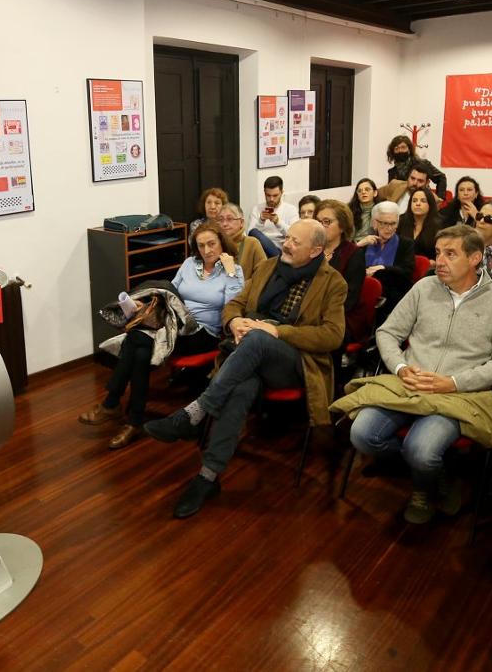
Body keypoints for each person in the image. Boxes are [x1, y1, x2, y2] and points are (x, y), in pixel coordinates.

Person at [143, 219, 347, 518]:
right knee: (241, 387)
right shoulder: (268, 268)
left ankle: (196, 413)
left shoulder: (333, 283)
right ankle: (207, 478)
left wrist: (279, 332)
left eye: (295, 242)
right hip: (249, 354)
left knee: (258, 338)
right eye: (287, 237)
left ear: (316, 251)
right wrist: (234, 321)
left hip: (294, 360)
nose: (286, 244)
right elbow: (235, 303)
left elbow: (332, 335)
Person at [342, 224, 492, 524]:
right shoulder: (424, 288)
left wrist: (454, 382)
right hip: (409, 384)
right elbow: (387, 333)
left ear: (475, 258)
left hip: (457, 393)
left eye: (451, 254)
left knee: (421, 449)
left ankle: (423, 488)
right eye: (438, 253)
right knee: (362, 435)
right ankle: (437, 475)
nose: (439, 261)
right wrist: (400, 367)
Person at [80, 223, 243, 449]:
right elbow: (170, 291)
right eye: (201, 245)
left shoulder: (232, 271)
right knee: (140, 348)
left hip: (204, 333)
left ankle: (112, 403)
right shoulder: (189, 264)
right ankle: (132, 420)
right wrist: (146, 302)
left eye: (212, 244)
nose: (207, 250)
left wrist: (231, 271)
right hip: (175, 324)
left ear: (222, 243)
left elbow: (233, 307)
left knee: (137, 338)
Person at [316, 199, 368, 343]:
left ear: (342, 226)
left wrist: (318, 313)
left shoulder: (353, 254)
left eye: (327, 222)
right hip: (312, 311)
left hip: (342, 317)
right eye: (318, 221)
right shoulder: (312, 249)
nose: (321, 226)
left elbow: (349, 299)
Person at [248, 175, 298, 258]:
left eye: (275, 195)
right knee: (254, 232)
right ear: (264, 192)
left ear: (282, 192)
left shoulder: (291, 209)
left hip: (281, 249)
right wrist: (261, 221)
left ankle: (278, 260)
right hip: (260, 248)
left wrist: (278, 223)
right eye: (268, 195)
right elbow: (250, 235)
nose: (271, 199)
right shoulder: (256, 209)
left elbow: (295, 236)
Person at [218, 202, 263, 281]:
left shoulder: (252, 243)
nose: (224, 224)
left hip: (246, 291)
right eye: (221, 220)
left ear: (241, 222)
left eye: (229, 219)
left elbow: (263, 275)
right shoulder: (215, 245)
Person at [397, 187, 441, 259]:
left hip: (428, 266)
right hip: (402, 264)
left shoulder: (438, 226)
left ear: (430, 204)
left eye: (423, 201)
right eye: (414, 201)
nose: (417, 204)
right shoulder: (401, 220)